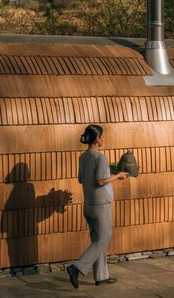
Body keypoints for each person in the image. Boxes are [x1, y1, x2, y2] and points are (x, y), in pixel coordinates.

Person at [66, 124, 128, 289]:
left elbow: (81, 179)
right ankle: (77, 267)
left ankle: (101, 276)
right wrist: (118, 175)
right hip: (101, 204)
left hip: (89, 204)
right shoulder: (101, 157)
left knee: (97, 240)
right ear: (97, 138)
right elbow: (100, 181)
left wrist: (109, 172)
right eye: (101, 136)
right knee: (103, 238)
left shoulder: (83, 157)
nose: (102, 139)